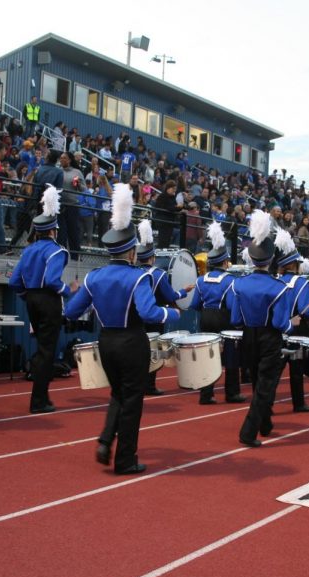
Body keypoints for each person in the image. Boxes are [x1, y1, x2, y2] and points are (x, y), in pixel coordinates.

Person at [64, 183, 181, 474]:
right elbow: (149, 312)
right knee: (132, 401)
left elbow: (70, 311)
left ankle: (106, 439)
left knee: (118, 393)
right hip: (132, 341)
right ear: (131, 251)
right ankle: (125, 459)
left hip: (105, 340)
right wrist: (172, 312)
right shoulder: (138, 278)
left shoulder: (94, 277)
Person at [9, 186, 79, 413]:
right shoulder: (57, 251)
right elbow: (51, 280)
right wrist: (68, 290)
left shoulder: (28, 251)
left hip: (31, 300)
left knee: (42, 348)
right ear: (53, 231)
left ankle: (42, 397)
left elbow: (14, 282)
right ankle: (38, 400)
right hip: (48, 300)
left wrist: (28, 296)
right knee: (47, 351)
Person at [231, 210, 296, 447]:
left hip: (248, 335)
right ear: (270, 260)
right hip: (270, 338)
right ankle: (248, 432)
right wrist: (292, 323)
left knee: (259, 383)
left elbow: (235, 318)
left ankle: (266, 424)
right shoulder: (278, 287)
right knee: (265, 386)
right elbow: (281, 323)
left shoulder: (239, 284)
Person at [133, 219, 193, 396]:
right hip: (154, 316)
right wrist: (184, 291)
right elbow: (170, 296)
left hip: (134, 317)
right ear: (152, 258)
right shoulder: (158, 274)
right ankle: (149, 385)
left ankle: (136, 383)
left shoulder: (133, 272)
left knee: (136, 351)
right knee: (152, 351)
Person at [189, 222, 246, 405]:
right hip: (224, 318)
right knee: (230, 356)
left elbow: (194, 305)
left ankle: (206, 395)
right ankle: (232, 393)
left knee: (208, 356)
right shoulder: (230, 281)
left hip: (205, 318)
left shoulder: (200, 280)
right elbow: (231, 305)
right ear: (224, 262)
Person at [275, 230, 309, 412]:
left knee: (276, 370)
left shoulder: (276, 280)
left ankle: (267, 403)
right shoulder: (302, 283)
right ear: (294, 264)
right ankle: (298, 403)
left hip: (278, 328)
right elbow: (306, 310)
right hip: (296, 331)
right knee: (296, 368)